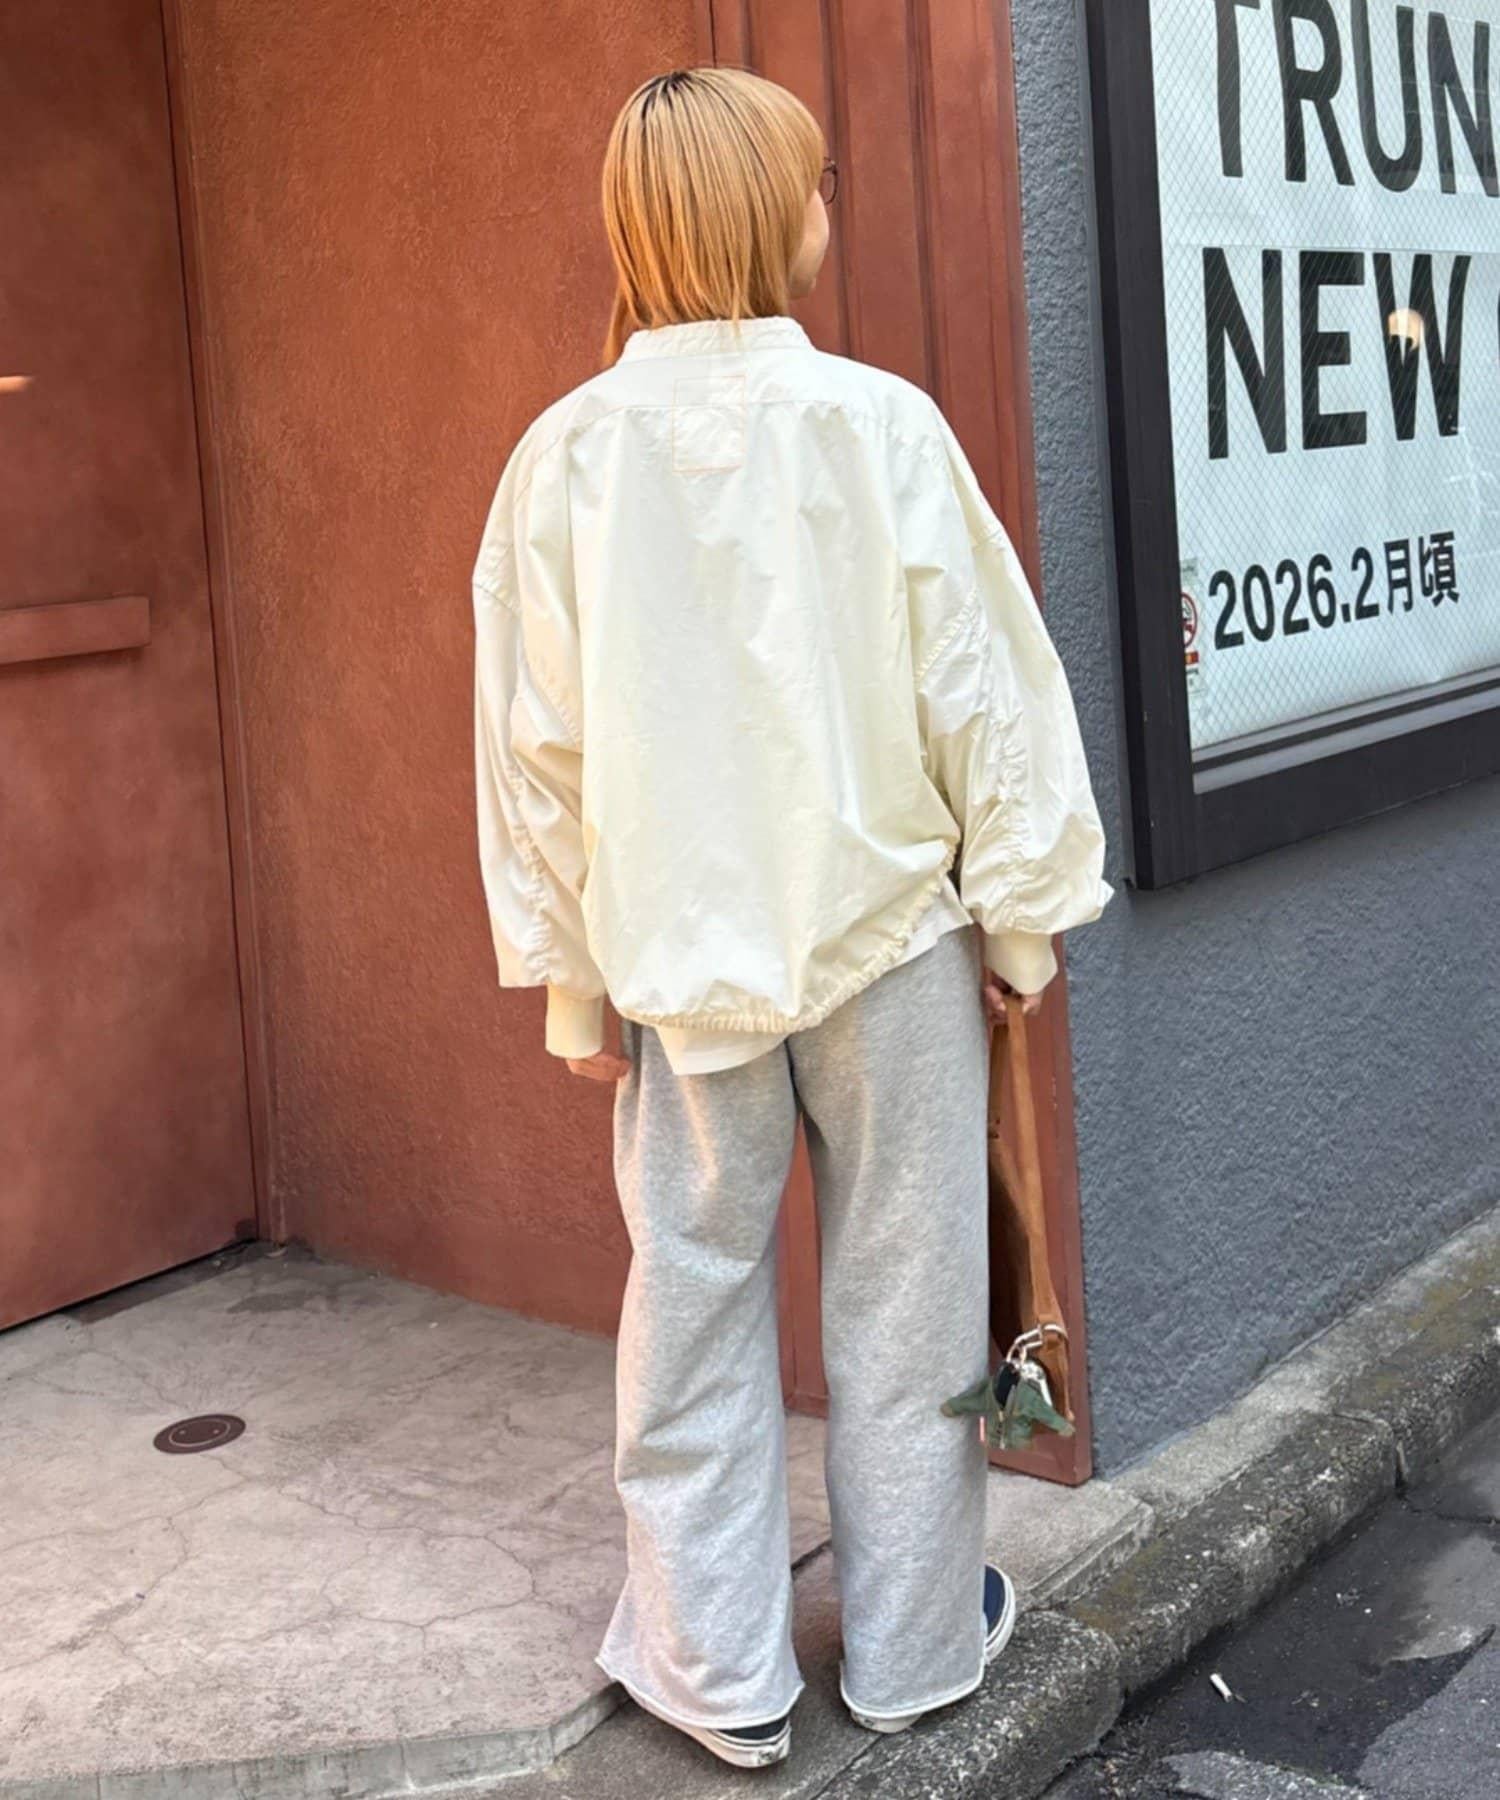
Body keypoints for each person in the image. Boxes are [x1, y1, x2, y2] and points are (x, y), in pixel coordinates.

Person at [472, 65, 1113, 1772]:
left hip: (679, 979)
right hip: (885, 942)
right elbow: (979, 686)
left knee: (688, 1310)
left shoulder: (564, 457)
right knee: (909, 1307)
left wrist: (570, 985)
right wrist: (1023, 922)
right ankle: (912, 1648)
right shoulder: (879, 426)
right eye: (817, 182)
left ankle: (717, 1674)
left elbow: (537, 746)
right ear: (770, 213)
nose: (832, 205)